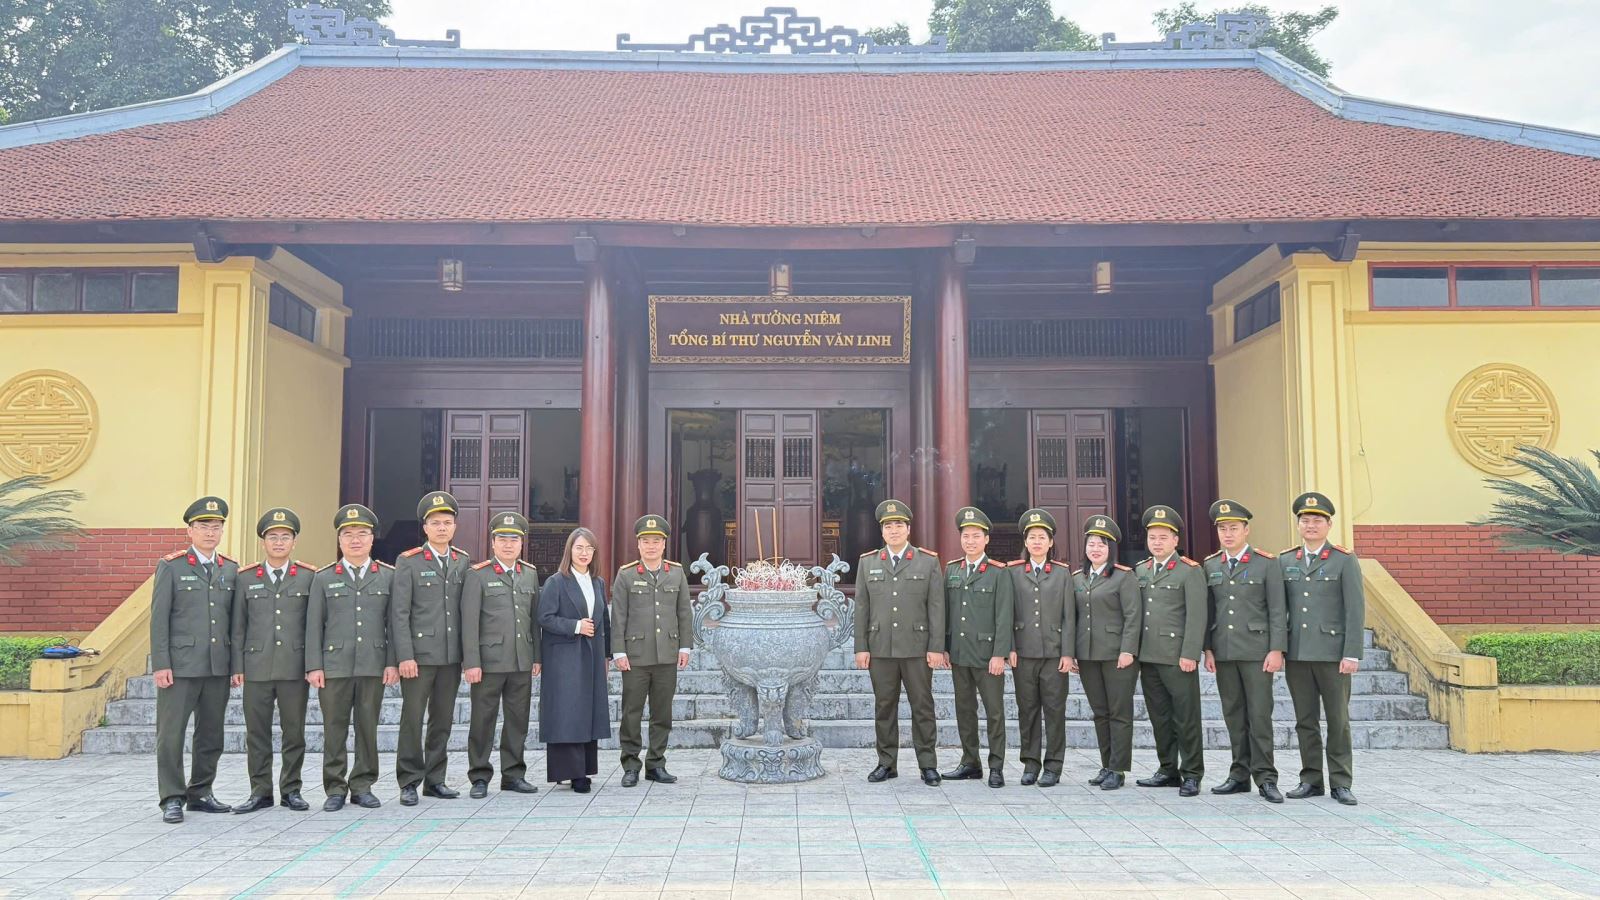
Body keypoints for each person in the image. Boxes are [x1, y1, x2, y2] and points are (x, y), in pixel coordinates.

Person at [306, 503, 399, 811]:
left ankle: (363, 785)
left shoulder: (387, 576)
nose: (355, 540)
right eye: (348, 534)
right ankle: (335, 787)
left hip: (373, 664)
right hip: (334, 666)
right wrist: (314, 666)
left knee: (367, 727)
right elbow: (314, 625)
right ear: (339, 540)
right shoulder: (323, 578)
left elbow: (394, 624)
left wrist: (392, 661)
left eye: (362, 534)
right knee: (334, 728)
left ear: (372, 539)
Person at [151, 496, 237, 824]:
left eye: (216, 527)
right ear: (190, 530)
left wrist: (235, 665)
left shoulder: (230, 568)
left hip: (217, 666)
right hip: (180, 666)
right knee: (171, 735)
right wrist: (161, 663)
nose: (210, 532)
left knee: (211, 734)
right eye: (203, 526)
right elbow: (159, 619)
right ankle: (172, 797)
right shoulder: (171, 566)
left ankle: (201, 791)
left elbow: (234, 622)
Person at [1201, 499, 1288, 804]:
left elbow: (1277, 609)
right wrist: (1207, 648)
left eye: (1233, 528)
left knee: (1259, 716)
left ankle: (1265, 777)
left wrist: (1276, 649)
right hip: (1224, 651)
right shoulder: (1211, 565)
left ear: (1246, 530)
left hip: (1256, 651)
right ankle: (1239, 774)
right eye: (1222, 529)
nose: (1228, 534)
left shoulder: (1266, 563)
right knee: (1234, 715)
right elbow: (1208, 611)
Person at [1282, 491, 1365, 807]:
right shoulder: (1286, 560)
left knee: (1338, 721)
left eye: (1317, 520)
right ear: (1298, 525)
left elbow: (1354, 609)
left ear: (1329, 525)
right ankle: (1311, 779)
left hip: (1333, 654)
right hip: (1298, 654)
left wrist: (1351, 652)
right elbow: (1279, 609)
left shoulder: (1344, 559)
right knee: (1305, 721)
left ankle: (1341, 782)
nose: (1311, 525)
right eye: (1305, 520)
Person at [230, 507, 315, 814]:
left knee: (294, 733)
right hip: (256, 668)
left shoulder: (308, 577)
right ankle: (260, 791)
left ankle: (291, 790)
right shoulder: (246, 578)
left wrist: (311, 665)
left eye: (285, 537)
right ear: (263, 542)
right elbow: (238, 627)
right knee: (257, 733)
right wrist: (237, 666)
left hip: (294, 667)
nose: (279, 542)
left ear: (294, 542)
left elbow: (313, 626)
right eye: (273, 537)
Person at [855, 499, 945, 785]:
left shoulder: (927, 561)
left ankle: (928, 764)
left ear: (908, 529)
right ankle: (886, 763)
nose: (893, 530)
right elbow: (862, 608)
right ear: (882, 531)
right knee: (884, 707)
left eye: (898, 525)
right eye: (888, 526)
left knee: (922, 707)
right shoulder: (868, 562)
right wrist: (861, 647)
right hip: (880, 647)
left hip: (917, 648)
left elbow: (936, 608)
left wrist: (936, 647)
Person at [391, 491, 469, 806]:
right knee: (412, 719)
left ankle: (436, 780)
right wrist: (405, 656)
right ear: (425, 527)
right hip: (419, 657)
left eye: (447, 522)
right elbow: (399, 613)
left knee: (442, 719)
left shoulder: (462, 560)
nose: (441, 528)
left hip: (450, 657)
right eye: (435, 522)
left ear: (454, 527)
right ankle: (409, 781)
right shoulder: (408, 561)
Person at [462, 511, 541, 798]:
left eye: (514, 540)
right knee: (483, 720)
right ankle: (479, 776)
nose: (509, 545)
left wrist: (537, 656)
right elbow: (469, 622)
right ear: (493, 543)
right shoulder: (478, 574)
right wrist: (471, 662)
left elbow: (533, 619)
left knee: (517, 720)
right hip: (489, 662)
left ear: (522, 544)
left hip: (521, 660)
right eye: (503, 539)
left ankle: (513, 774)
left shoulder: (529, 573)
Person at [611, 514, 693, 787]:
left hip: (667, 654)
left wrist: (685, 646)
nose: (651, 546)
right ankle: (631, 765)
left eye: (656, 541)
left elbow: (684, 612)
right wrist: (619, 651)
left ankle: (656, 764)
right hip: (635, 656)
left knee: (662, 713)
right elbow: (618, 616)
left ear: (664, 544)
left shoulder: (676, 572)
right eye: (645, 541)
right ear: (638, 544)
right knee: (631, 712)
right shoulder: (626, 574)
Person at [1134, 505, 1208, 797]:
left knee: (1186, 717)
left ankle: (1192, 773)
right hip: (1148, 656)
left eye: (1163, 537)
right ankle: (1167, 769)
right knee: (1160, 717)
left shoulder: (1190, 571)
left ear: (1175, 540)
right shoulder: (1141, 570)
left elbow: (1197, 616)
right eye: (1152, 537)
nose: (1157, 542)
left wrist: (1191, 653)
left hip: (1177, 657)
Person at [940, 506, 1013, 788]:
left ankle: (996, 766)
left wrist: (999, 654)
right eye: (966, 536)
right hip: (959, 654)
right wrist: (944, 646)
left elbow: (1004, 616)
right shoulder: (952, 569)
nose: (970, 541)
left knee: (994, 712)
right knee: (964, 709)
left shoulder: (998, 572)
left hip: (987, 656)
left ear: (986, 539)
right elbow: (946, 612)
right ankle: (970, 762)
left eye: (976, 536)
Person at [537, 527, 611, 793]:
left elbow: (604, 621)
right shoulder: (557, 582)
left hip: (591, 655)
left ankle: (584, 768)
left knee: (587, 711)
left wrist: (607, 655)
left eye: (589, 548)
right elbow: (544, 617)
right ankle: (572, 773)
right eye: (579, 548)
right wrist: (575, 626)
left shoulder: (597, 582)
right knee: (568, 712)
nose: (584, 553)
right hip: (564, 656)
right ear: (570, 550)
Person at [1071, 514, 1141, 791]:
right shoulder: (1078, 578)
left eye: (1101, 544)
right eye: (1091, 544)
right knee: (1100, 712)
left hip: (1116, 655)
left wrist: (1128, 650)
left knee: (1119, 712)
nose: (1095, 549)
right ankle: (1106, 764)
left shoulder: (1124, 577)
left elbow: (1133, 616)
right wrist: (1072, 653)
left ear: (1110, 548)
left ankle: (1118, 768)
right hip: (1088, 655)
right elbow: (1073, 618)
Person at [1007, 508, 1072, 787]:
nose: (1036, 542)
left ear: (1050, 542)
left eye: (1042, 537)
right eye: (1032, 537)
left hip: (1054, 654)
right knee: (1028, 710)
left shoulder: (1062, 573)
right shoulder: (1012, 572)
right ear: (1025, 541)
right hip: (1023, 653)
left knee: (1055, 711)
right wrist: (1009, 647)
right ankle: (1030, 763)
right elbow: (1006, 613)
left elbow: (1069, 617)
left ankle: (1053, 766)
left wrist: (1068, 652)